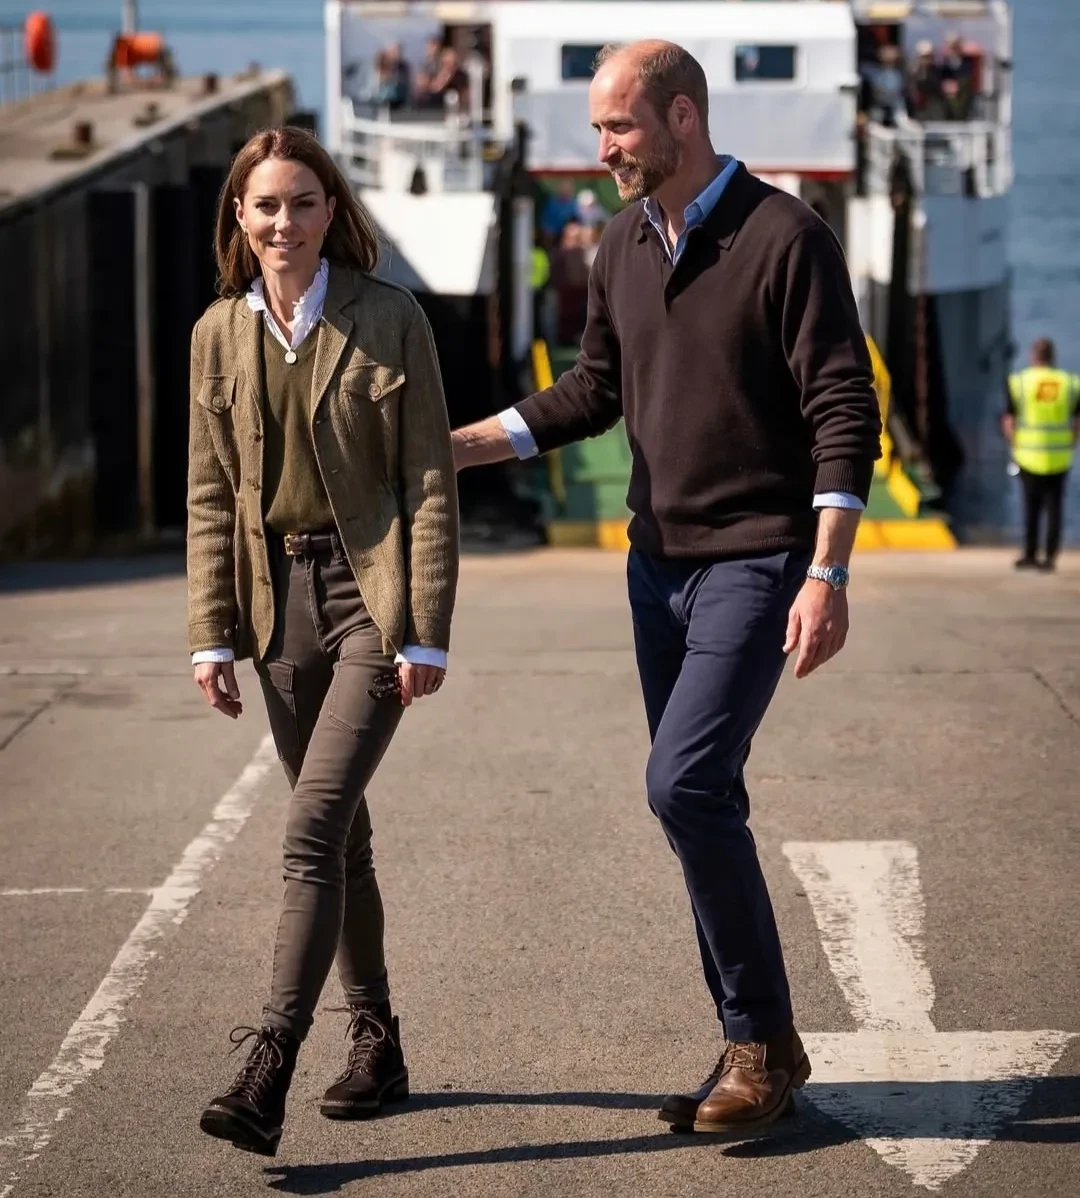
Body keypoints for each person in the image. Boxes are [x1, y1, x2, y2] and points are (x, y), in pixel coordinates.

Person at [451, 41, 881, 1138]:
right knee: (704, 799)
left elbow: (843, 407)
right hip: (657, 569)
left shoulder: (787, 236)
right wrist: (451, 450)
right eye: (599, 128)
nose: (602, 149)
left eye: (619, 126)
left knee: (682, 786)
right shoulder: (620, 243)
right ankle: (762, 1043)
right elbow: (592, 391)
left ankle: (756, 1044)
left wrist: (827, 571)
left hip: (758, 557)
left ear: (683, 117)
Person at [188, 125, 459, 1156]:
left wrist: (425, 629)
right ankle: (378, 1043)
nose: (285, 222)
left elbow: (427, 480)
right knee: (342, 838)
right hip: (276, 608)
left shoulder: (389, 319)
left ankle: (269, 1064)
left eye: (304, 202)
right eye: (266, 205)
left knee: (308, 831)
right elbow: (210, 496)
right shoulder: (218, 333)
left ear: (331, 211)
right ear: (240, 217)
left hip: (368, 599)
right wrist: (211, 634)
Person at [1003, 337, 1080, 572]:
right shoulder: (1069, 382)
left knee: (1031, 507)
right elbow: (1077, 421)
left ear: (1033, 356)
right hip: (1059, 456)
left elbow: (1009, 420)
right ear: (1053, 357)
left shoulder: (1020, 382)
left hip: (1028, 455)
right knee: (1055, 507)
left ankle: (1030, 554)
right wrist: (1071, 443)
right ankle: (1050, 557)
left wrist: (1014, 445)